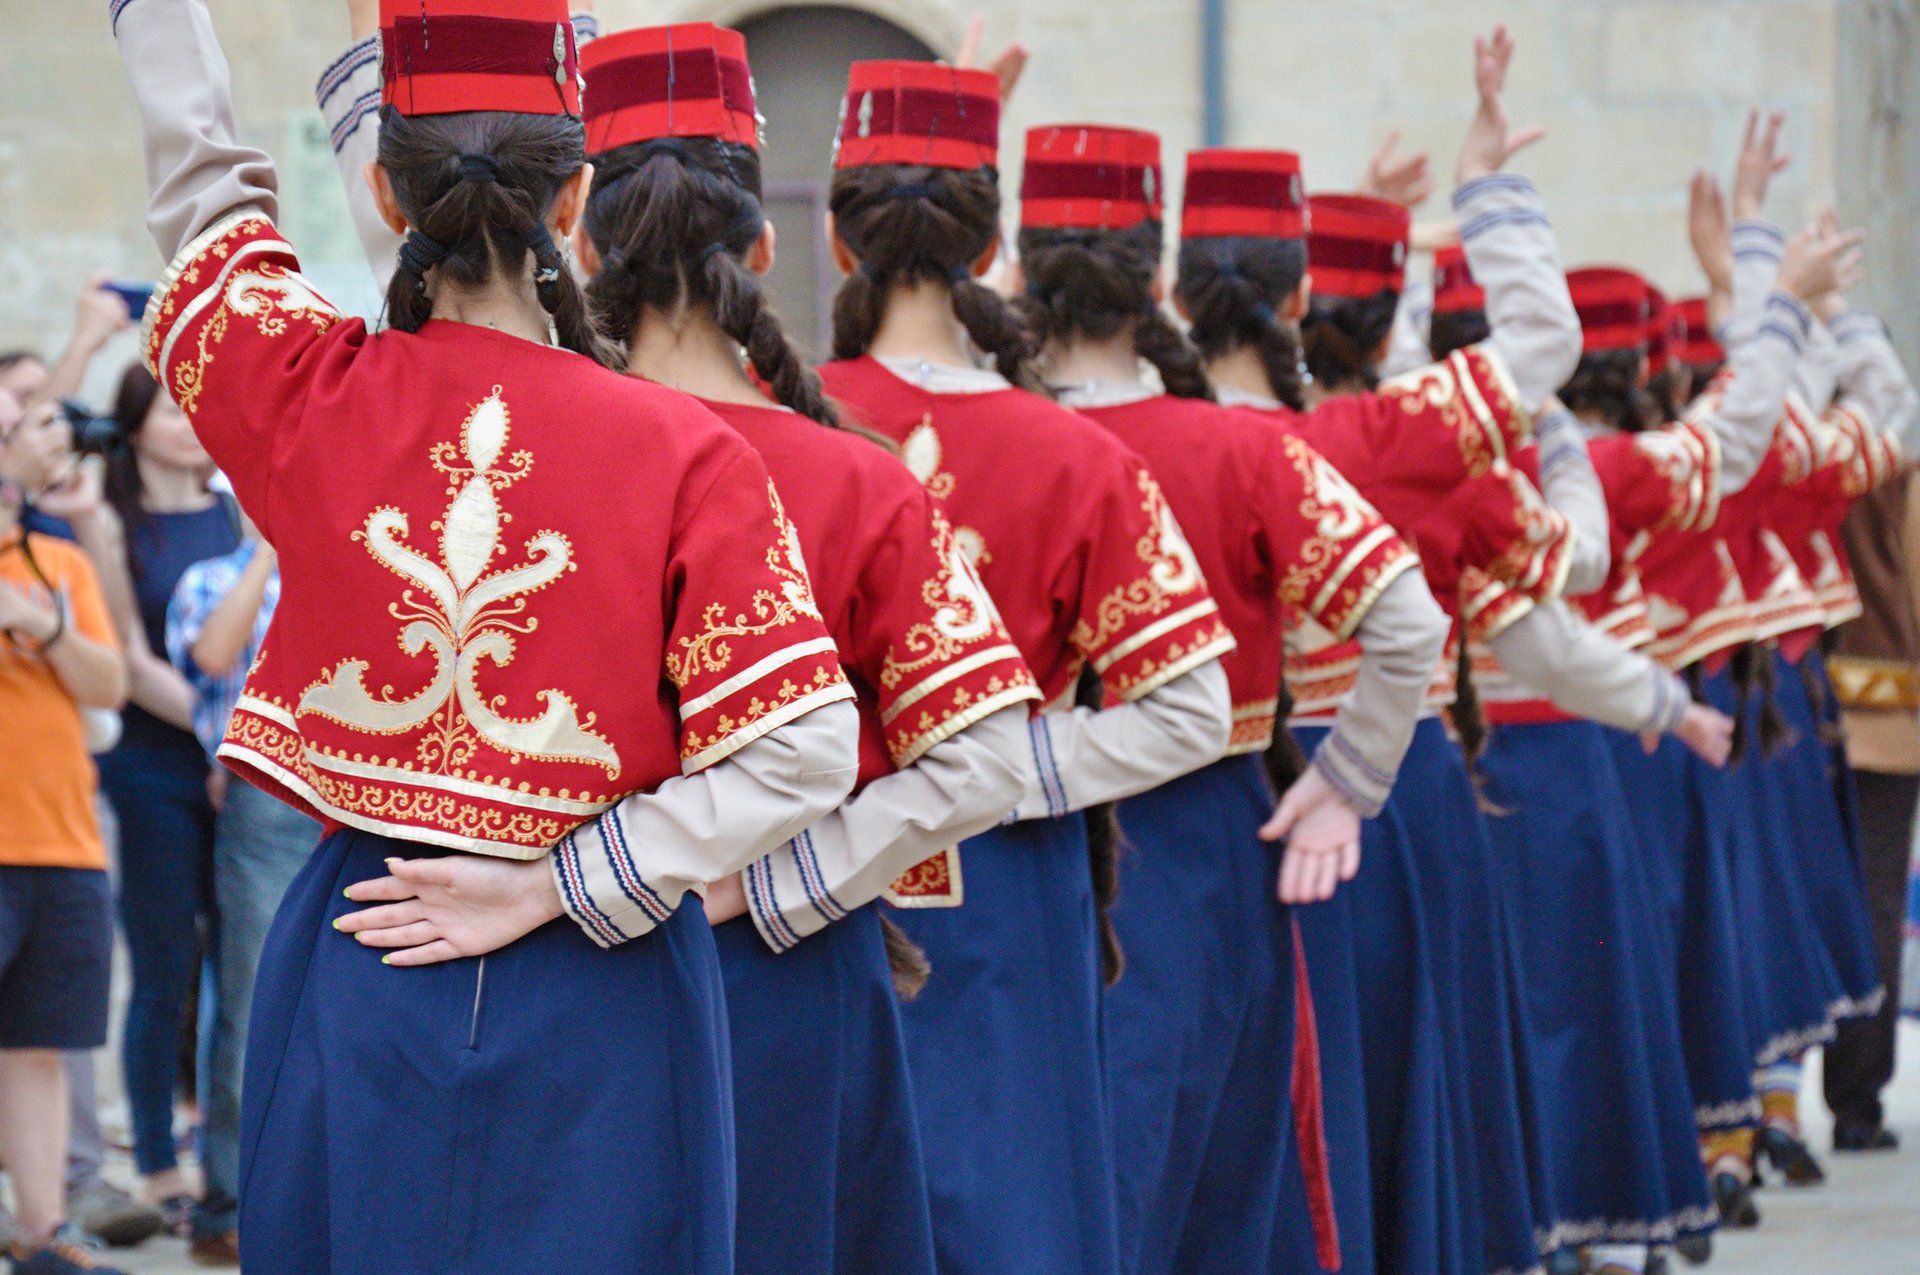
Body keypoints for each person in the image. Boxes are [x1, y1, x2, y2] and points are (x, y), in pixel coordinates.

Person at [111, 1, 862, 1269]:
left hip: (367, 942)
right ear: (576, 200)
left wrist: (158, 21)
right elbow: (807, 755)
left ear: (387, 202)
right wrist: (561, 884)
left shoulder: (313, 395)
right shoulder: (688, 450)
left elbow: (206, 210)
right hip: (607, 974)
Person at [322, 16, 1045, 1272]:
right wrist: (772, 882)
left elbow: (382, 261)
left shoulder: (541, 437)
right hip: (784, 971)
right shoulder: (854, 481)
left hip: (565, 977)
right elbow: (984, 764)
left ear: (576, 228)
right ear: (767, 245)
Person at [814, 70, 1239, 1275]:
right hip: (1009, 886)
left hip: (805, 879)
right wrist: (1019, 765)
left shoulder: (785, 423)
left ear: (839, 235)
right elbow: (1191, 710)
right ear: (994, 243)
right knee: (1018, 1209)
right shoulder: (1076, 451)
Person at [1015, 118, 1455, 1271]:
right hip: (1197, 843)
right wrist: (1345, 785)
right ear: (1152, 283)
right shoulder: (1241, 451)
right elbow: (1408, 623)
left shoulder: (951, 440)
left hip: (981, 850)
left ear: (1016, 271)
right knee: (1205, 1191)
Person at [86, 364, 236, 1238]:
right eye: (168, 407)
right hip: (154, 769)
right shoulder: (112, 520)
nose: (186, 422)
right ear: (134, 423)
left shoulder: (234, 509)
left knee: (239, 964)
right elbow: (130, 661)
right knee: (163, 968)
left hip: (242, 774)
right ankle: (153, 1162)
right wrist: (229, 738)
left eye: (195, 405)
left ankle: (219, 1147)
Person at [163, 506, 317, 1265]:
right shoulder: (212, 578)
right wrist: (267, 551)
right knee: (252, 995)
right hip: (261, 792)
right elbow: (214, 655)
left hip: (347, 789)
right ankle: (227, 1201)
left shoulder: (346, 565)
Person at [0, 388, 132, 1275]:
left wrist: (40, 622)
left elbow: (107, 683)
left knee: (38, 1044)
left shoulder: (57, 560)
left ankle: (43, 1231)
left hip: (62, 839)